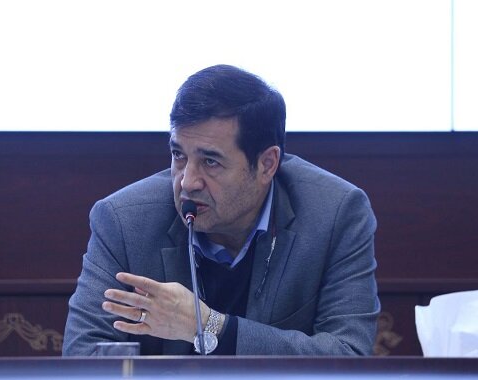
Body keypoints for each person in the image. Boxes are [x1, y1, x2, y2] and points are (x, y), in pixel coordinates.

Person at [63, 64, 380, 356]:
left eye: (210, 161)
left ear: (267, 164)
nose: (187, 182)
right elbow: (83, 354)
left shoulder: (335, 214)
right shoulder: (123, 220)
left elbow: (349, 355)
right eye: (178, 155)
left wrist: (210, 326)